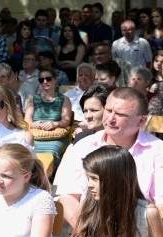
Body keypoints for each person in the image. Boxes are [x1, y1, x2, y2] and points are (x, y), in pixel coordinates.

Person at [55, 87, 163, 226]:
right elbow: (68, 195)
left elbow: (160, 204)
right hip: (89, 232)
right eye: (108, 110)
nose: (110, 119)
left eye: (120, 114)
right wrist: (88, 234)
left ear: (141, 120)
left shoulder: (158, 150)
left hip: (139, 236)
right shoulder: (84, 146)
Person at [24, 66, 72, 166]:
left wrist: (55, 124)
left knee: (53, 150)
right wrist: (34, 124)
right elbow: (26, 120)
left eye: (48, 79)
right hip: (35, 135)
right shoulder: (33, 99)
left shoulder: (64, 99)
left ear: (55, 79)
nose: (45, 82)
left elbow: (66, 121)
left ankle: (48, 175)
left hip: (57, 136)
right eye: (41, 80)